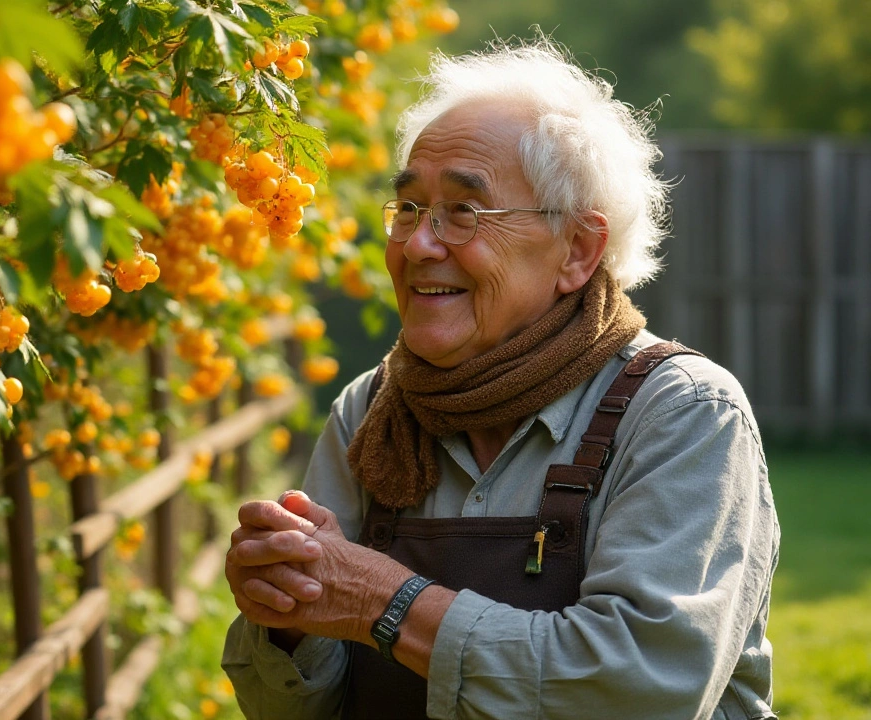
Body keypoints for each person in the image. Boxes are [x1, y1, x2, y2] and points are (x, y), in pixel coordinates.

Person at [222, 39, 779, 720]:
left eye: (464, 212)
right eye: (407, 209)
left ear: (577, 250)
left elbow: (640, 690)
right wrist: (285, 615)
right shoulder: (370, 410)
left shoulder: (682, 411)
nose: (419, 244)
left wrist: (386, 604)